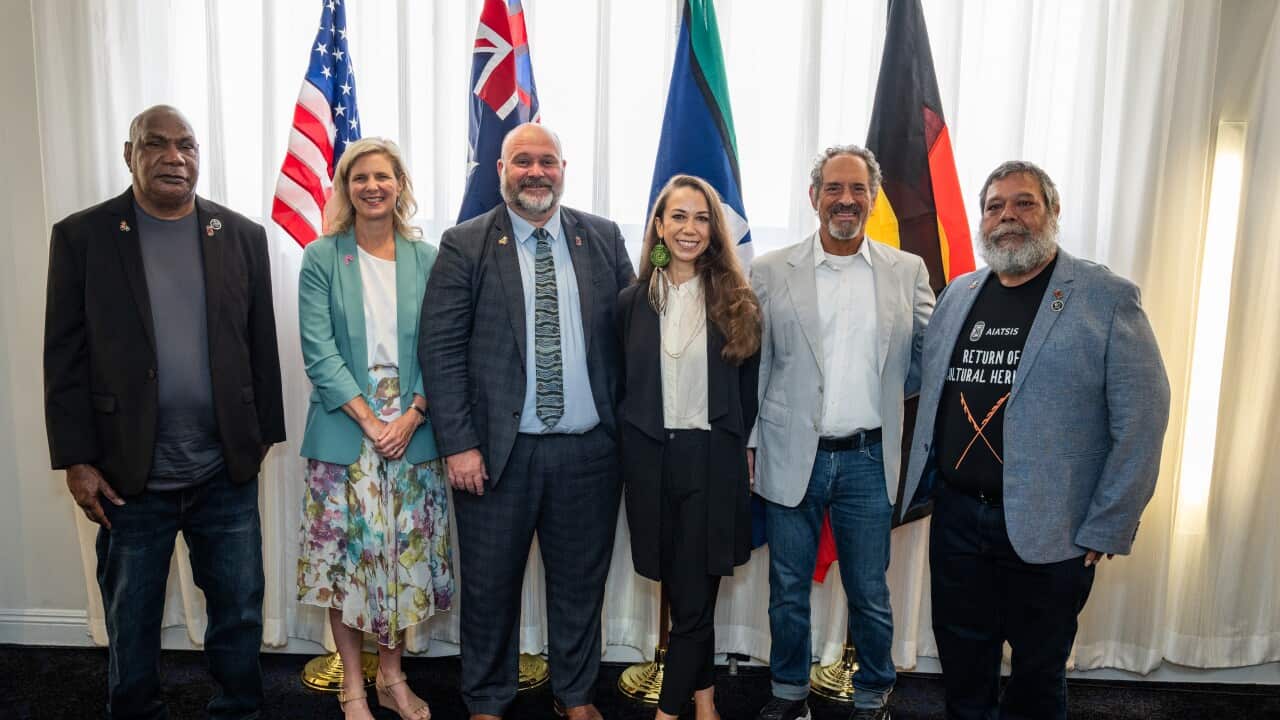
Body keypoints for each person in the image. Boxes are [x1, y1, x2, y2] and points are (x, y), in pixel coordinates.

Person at [899, 160, 1171, 720]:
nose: (1008, 217)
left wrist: (1109, 521)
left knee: (1037, 679)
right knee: (963, 668)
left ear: (1052, 212)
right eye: (995, 206)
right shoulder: (959, 294)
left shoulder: (1105, 297)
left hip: (1053, 528)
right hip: (956, 523)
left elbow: (1143, 419)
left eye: (1024, 203)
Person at [43, 105, 285, 719]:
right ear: (130, 155)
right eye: (157, 144)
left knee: (238, 609)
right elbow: (63, 354)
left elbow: (260, 344)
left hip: (222, 470)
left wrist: (258, 437)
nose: (174, 156)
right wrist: (75, 458)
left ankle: (238, 707)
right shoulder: (82, 236)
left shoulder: (241, 236)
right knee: (132, 617)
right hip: (128, 476)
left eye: (187, 145)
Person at [420, 123, 634, 720]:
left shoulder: (604, 237)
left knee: (579, 586)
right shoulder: (465, 244)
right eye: (522, 162)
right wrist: (459, 444)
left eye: (547, 161)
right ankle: (487, 699)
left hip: (589, 454)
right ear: (501, 171)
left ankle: (576, 695)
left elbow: (633, 334)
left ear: (564, 167)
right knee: (489, 589)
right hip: (494, 456)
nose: (535, 172)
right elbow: (440, 350)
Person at [750, 146, 935, 720]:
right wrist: (751, 441)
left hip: (866, 457)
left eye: (858, 189)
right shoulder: (770, 270)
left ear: (873, 199)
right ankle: (788, 695)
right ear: (814, 197)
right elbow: (756, 364)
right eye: (834, 188)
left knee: (870, 592)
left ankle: (873, 694)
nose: (846, 199)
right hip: (789, 454)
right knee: (787, 590)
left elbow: (925, 359)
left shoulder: (908, 272)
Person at [296, 137, 453, 720]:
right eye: (360, 178)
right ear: (345, 188)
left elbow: (442, 348)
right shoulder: (321, 257)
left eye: (382, 177)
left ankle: (391, 678)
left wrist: (412, 414)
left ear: (399, 185)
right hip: (346, 430)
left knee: (399, 562)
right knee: (346, 565)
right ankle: (353, 688)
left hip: (412, 431)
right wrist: (369, 419)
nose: (372, 187)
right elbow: (319, 351)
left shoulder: (427, 258)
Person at [618, 175, 761, 720]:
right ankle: (706, 701)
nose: (689, 228)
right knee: (682, 592)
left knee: (695, 601)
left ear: (714, 230)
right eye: (678, 216)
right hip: (652, 464)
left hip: (713, 464)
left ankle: (668, 711)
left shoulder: (737, 302)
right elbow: (621, 392)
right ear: (659, 225)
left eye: (701, 218)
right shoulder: (631, 304)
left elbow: (747, 398)